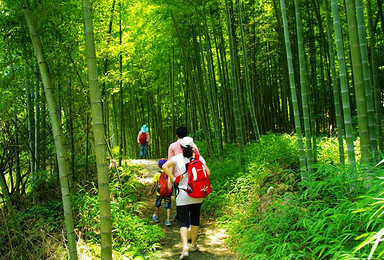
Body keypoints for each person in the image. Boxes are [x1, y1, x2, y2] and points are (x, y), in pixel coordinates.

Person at [163, 137, 211, 259]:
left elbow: (164, 166)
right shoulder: (198, 158)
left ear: (181, 148)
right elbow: (208, 173)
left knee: (183, 221)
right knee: (195, 219)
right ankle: (194, 244)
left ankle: (185, 246)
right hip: (197, 193)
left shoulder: (177, 158)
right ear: (193, 147)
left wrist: (173, 178)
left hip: (182, 194)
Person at [167, 126, 199, 222]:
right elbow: (198, 160)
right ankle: (189, 216)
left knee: (179, 195)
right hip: (192, 175)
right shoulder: (193, 146)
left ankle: (180, 215)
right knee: (192, 193)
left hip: (178, 176)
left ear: (177, 135)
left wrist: (170, 178)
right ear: (187, 135)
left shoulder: (172, 146)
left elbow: (170, 164)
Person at [148, 159, 172, 226]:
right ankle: (168, 220)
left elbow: (154, 184)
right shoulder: (169, 172)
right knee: (168, 206)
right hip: (168, 192)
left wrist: (151, 191)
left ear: (159, 166)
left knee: (157, 204)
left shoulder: (157, 173)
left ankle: (156, 217)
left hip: (159, 192)